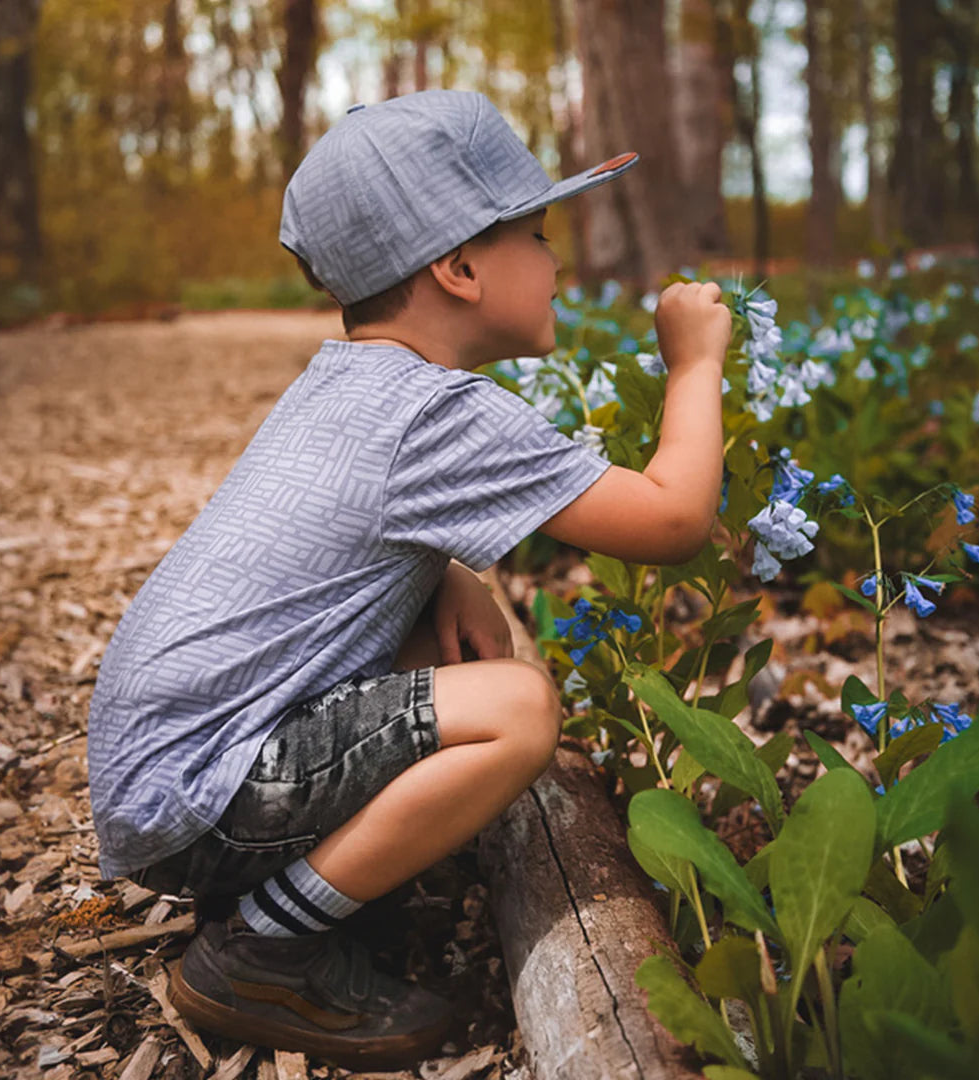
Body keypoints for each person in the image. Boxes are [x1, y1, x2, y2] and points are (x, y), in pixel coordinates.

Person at [85, 88, 730, 1070]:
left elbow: (336, 532)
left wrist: (442, 566)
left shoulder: (346, 383)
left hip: (162, 768)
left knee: (454, 647)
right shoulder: (443, 414)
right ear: (459, 268)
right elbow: (674, 520)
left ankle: (286, 889)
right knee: (517, 708)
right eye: (536, 233)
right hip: (203, 792)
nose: (557, 261)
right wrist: (692, 365)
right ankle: (261, 950)